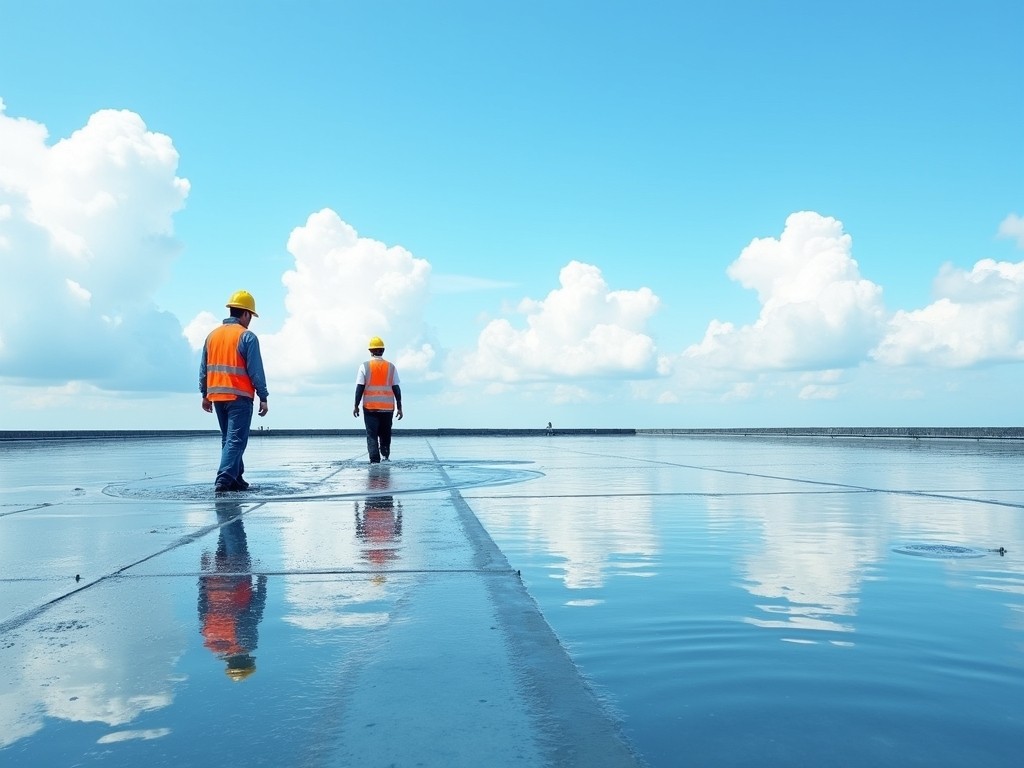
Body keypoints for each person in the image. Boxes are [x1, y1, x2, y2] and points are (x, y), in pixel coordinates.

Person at [200, 290, 269, 492]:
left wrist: (204, 394)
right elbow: (255, 370)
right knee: (236, 439)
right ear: (246, 314)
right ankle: (224, 479)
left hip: (217, 395)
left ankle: (237, 478)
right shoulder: (247, 336)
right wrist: (263, 396)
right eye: (251, 317)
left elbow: (203, 368)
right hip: (239, 396)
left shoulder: (212, 336)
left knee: (228, 439)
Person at [198, 502, 268, 681]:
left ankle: (226, 502)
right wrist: (203, 574)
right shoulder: (211, 640)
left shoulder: (246, 642)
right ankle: (226, 507)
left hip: (237, 578)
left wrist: (262, 582)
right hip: (216, 578)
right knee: (226, 534)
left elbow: (254, 612)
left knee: (235, 533)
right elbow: (202, 605)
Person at [353, 336, 402, 463]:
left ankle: (374, 461)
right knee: (386, 433)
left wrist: (356, 405)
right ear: (383, 350)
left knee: (372, 435)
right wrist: (400, 407)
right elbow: (396, 388)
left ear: (370, 351)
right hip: (387, 408)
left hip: (370, 408)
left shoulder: (364, 367)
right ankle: (385, 456)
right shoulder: (391, 367)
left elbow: (360, 388)